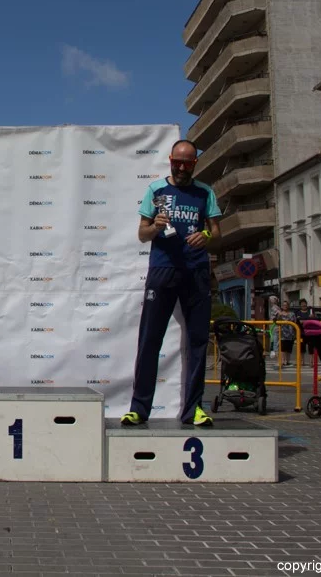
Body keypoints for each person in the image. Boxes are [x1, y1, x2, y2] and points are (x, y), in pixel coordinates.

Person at [120, 139, 222, 427]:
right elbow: (142, 234)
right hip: (163, 271)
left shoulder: (205, 192)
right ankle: (139, 409)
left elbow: (217, 232)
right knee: (150, 340)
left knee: (198, 343)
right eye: (177, 162)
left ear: (195, 164)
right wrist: (156, 226)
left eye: (187, 163)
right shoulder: (156, 190)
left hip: (196, 272)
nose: (181, 167)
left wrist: (207, 237)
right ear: (170, 160)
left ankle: (193, 410)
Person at [275, 300, 299, 368]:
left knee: (289, 348)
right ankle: (282, 361)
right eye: (284, 305)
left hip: (290, 333)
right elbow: (276, 321)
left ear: (288, 306)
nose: (285, 306)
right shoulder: (279, 313)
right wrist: (279, 315)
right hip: (282, 333)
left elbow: (295, 322)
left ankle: (287, 361)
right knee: (282, 347)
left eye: (286, 305)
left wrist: (295, 332)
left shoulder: (292, 314)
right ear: (282, 306)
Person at [296, 299, 317, 367]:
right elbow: (299, 321)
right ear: (300, 305)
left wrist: (311, 317)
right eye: (302, 304)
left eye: (304, 304)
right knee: (302, 347)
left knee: (311, 347)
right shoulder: (298, 312)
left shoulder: (310, 312)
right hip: (301, 333)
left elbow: (314, 319)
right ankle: (302, 361)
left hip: (310, 332)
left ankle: (311, 362)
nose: (303, 305)